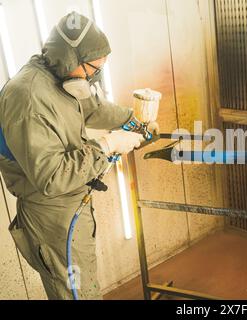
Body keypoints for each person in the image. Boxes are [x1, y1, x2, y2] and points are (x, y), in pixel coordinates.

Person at [0, 12, 156, 299]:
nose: (94, 76)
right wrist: (106, 145)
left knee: (82, 288)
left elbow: (92, 107)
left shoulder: (58, 75)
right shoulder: (29, 98)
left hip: (71, 204)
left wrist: (134, 122)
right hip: (52, 216)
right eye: (93, 69)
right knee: (76, 293)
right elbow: (52, 176)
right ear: (71, 59)